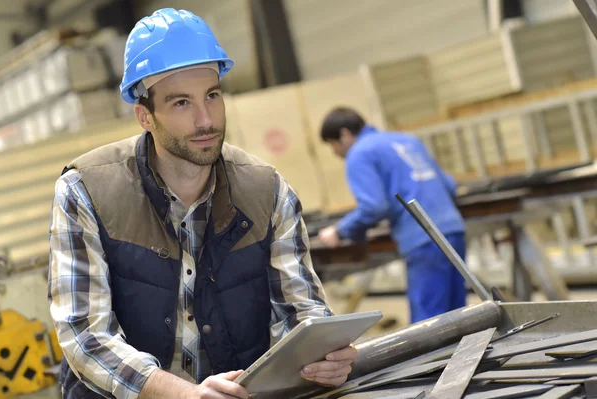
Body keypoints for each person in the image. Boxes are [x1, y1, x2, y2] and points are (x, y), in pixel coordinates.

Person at [48, 9, 356, 399]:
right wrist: (180, 394)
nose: (206, 119)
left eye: (212, 96)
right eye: (181, 103)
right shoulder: (85, 192)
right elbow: (84, 334)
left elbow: (303, 311)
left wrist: (324, 354)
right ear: (145, 115)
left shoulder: (267, 190)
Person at [317, 107, 467, 324]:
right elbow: (450, 186)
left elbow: (374, 207)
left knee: (431, 325)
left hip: (423, 239)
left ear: (345, 134)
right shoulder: (407, 141)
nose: (335, 152)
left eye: (333, 144)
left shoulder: (359, 154)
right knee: (462, 318)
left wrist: (340, 230)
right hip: (453, 229)